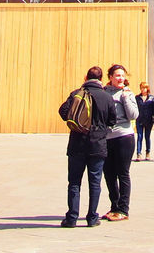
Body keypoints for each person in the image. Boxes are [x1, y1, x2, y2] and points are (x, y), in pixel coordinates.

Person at [59, 66, 117, 228]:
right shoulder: (106, 97)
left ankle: (71, 217)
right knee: (95, 182)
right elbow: (112, 120)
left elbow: (63, 112)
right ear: (100, 79)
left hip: (77, 144)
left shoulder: (76, 93)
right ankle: (92, 218)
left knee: (74, 182)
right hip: (97, 145)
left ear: (86, 77)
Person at [102, 64, 138, 222]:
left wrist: (125, 98)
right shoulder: (104, 92)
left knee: (123, 173)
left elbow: (133, 115)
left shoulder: (128, 93)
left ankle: (124, 209)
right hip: (107, 138)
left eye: (122, 75)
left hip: (124, 137)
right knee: (109, 174)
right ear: (110, 77)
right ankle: (114, 206)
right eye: (117, 75)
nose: (120, 78)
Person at [134, 81, 154, 161]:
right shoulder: (137, 98)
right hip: (139, 119)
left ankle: (148, 152)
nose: (143, 89)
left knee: (147, 137)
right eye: (142, 88)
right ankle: (139, 154)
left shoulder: (151, 98)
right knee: (139, 137)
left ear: (147, 89)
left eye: (145, 88)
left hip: (148, 120)